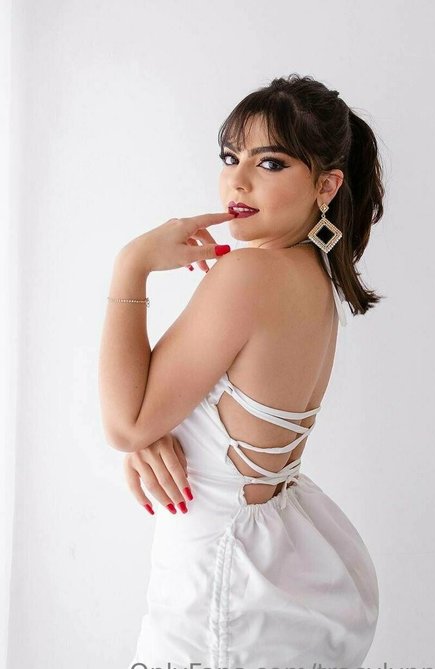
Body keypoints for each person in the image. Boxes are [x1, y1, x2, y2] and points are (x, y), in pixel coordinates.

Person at [98, 73, 385, 669]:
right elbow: (156, 422)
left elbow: (126, 423)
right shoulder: (312, 280)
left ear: (327, 184)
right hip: (262, 572)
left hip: (215, 585)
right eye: (231, 158)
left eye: (271, 162)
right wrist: (154, 432)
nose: (238, 179)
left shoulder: (250, 275)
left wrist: (132, 265)